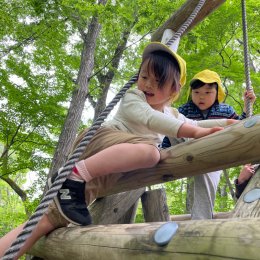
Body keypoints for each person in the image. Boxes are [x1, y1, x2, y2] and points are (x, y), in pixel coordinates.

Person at [0, 43, 236, 259]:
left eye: (158, 81)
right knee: (152, 153)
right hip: (99, 143)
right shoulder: (134, 98)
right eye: (144, 76)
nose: (148, 84)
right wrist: (193, 133)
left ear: (175, 90)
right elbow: (151, 119)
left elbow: (195, 125)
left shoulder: (172, 115)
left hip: (102, 170)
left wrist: (229, 125)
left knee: (47, 222)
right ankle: (74, 173)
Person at [162, 69, 256, 219]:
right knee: (171, 119)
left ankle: (200, 224)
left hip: (214, 155)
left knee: (206, 185)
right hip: (185, 148)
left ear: (217, 93)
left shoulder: (225, 110)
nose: (201, 97)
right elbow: (169, 134)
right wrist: (162, 150)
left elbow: (241, 127)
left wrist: (247, 106)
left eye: (207, 93)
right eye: (197, 92)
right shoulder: (183, 110)